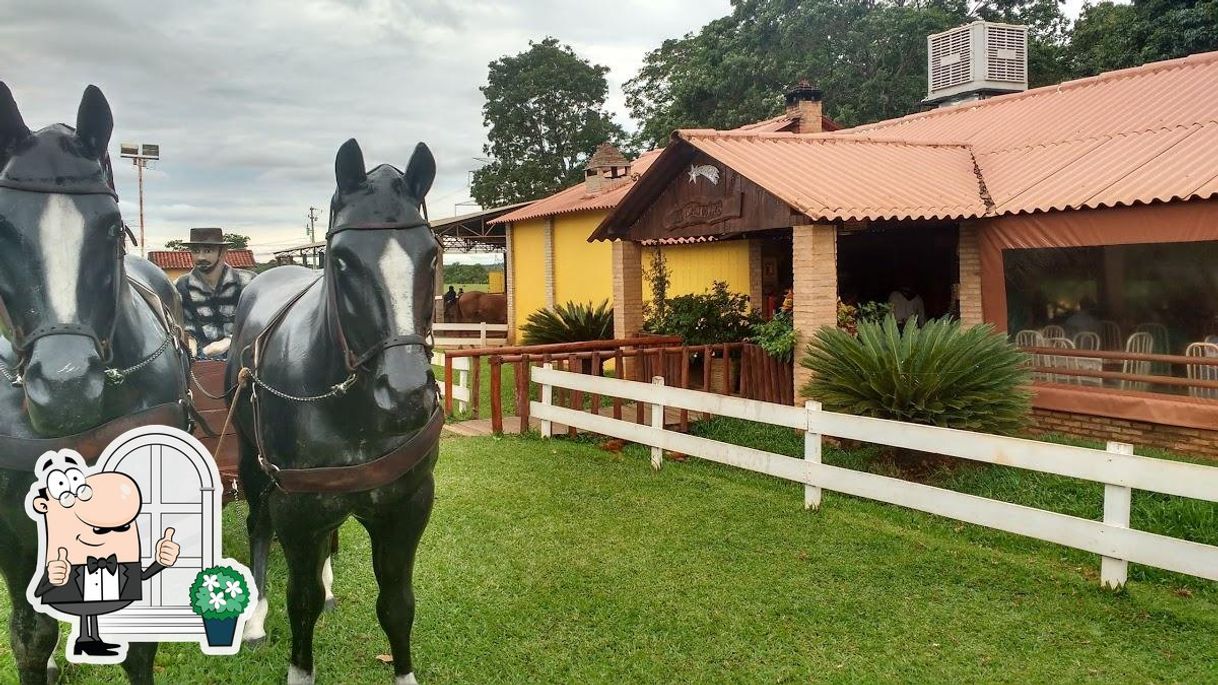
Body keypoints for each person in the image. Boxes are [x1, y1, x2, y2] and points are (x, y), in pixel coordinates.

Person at [28, 450, 179, 657]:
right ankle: (86, 639)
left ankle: (89, 639)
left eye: (120, 528)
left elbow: (140, 576)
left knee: (89, 608)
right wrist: (52, 578)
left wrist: (160, 561)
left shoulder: (121, 562)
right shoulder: (64, 557)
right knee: (85, 607)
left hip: (104, 585)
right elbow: (38, 591)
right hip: (77, 581)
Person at [173, 227, 256, 359]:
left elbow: (259, 324)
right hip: (200, 365)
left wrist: (230, 341)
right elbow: (182, 326)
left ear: (222, 252)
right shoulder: (180, 287)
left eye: (208, 251)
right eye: (195, 251)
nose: (200, 257)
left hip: (244, 363)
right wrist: (190, 345)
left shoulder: (248, 283)